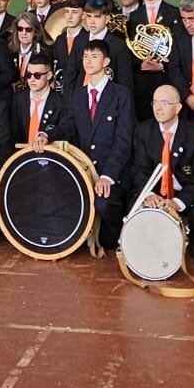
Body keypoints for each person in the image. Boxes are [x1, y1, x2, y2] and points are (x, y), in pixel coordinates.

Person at [59, 41, 134, 248]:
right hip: (84, 171)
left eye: (94, 56)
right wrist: (46, 136)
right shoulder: (78, 94)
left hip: (112, 173)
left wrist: (107, 176)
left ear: (106, 61)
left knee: (103, 203)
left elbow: (123, 141)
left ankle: (118, 239)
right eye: (85, 57)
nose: (88, 61)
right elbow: (67, 125)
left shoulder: (121, 94)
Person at [131, 84, 194, 257]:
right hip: (156, 193)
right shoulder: (144, 130)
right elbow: (139, 169)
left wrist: (177, 202)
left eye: (165, 103)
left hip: (182, 193)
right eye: (155, 103)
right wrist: (149, 194)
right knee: (132, 208)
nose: (158, 108)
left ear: (178, 108)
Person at [11, 51, 69, 150]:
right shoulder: (18, 99)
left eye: (37, 75)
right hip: (21, 156)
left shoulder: (61, 102)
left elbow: (64, 131)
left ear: (49, 75)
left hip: (50, 158)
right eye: (29, 75)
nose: (32, 79)